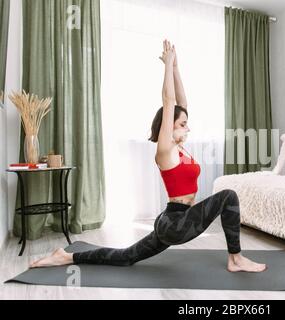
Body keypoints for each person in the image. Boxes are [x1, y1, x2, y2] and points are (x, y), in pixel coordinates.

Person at [30, 40, 266, 273]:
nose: (188, 127)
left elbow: (181, 104)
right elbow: (169, 102)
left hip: (174, 220)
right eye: (183, 124)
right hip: (175, 224)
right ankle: (235, 259)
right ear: (169, 126)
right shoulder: (166, 150)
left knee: (125, 257)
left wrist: (175, 69)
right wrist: (166, 66)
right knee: (228, 196)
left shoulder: (180, 148)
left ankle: (66, 256)